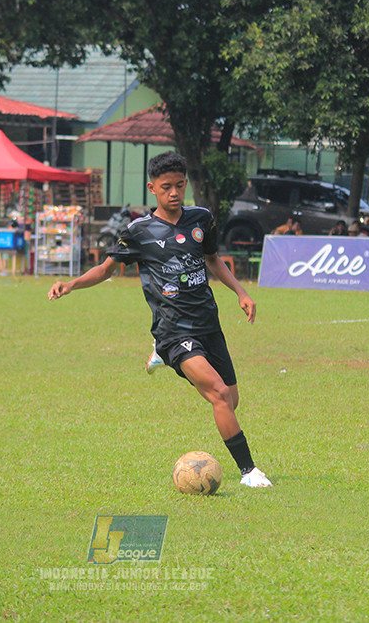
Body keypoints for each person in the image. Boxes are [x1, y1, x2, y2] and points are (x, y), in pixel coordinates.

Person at [48, 151, 272, 488]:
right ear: (152, 188)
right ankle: (249, 472)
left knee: (232, 400)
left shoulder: (201, 219)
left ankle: (160, 357)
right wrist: (71, 284)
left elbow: (213, 259)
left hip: (208, 324)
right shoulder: (138, 231)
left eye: (180, 186)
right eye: (166, 187)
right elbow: (105, 269)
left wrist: (241, 292)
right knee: (219, 395)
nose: (174, 193)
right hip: (173, 330)